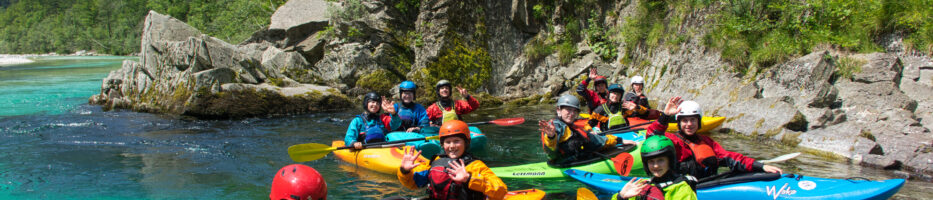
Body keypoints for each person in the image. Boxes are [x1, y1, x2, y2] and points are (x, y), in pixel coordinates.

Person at [644, 98, 784, 179]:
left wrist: (760, 166)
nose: (689, 124)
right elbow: (651, 139)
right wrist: (665, 116)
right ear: (679, 123)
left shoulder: (707, 141)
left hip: (706, 186)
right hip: (682, 188)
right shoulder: (672, 140)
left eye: (693, 120)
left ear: (698, 122)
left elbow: (730, 157)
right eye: (685, 121)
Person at [397, 120, 508, 200]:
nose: (452, 146)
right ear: (442, 144)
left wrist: (469, 178)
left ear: (466, 143)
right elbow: (412, 184)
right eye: (448, 142)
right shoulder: (436, 161)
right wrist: (404, 171)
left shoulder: (475, 166)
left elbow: (501, 191)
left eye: (456, 141)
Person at [539, 95, 637, 166]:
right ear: (559, 110)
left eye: (574, 111)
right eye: (568, 109)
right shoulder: (555, 126)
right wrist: (551, 137)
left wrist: (620, 140)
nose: (572, 114)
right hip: (565, 165)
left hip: (579, 160)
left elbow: (597, 139)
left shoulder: (574, 128)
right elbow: (551, 153)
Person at [613, 135, 697, 200]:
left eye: (660, 160)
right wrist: (621, 197)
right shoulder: (641, 185)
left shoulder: (681, 189)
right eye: (651, 161)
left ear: (669, 161)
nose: (656, 166)